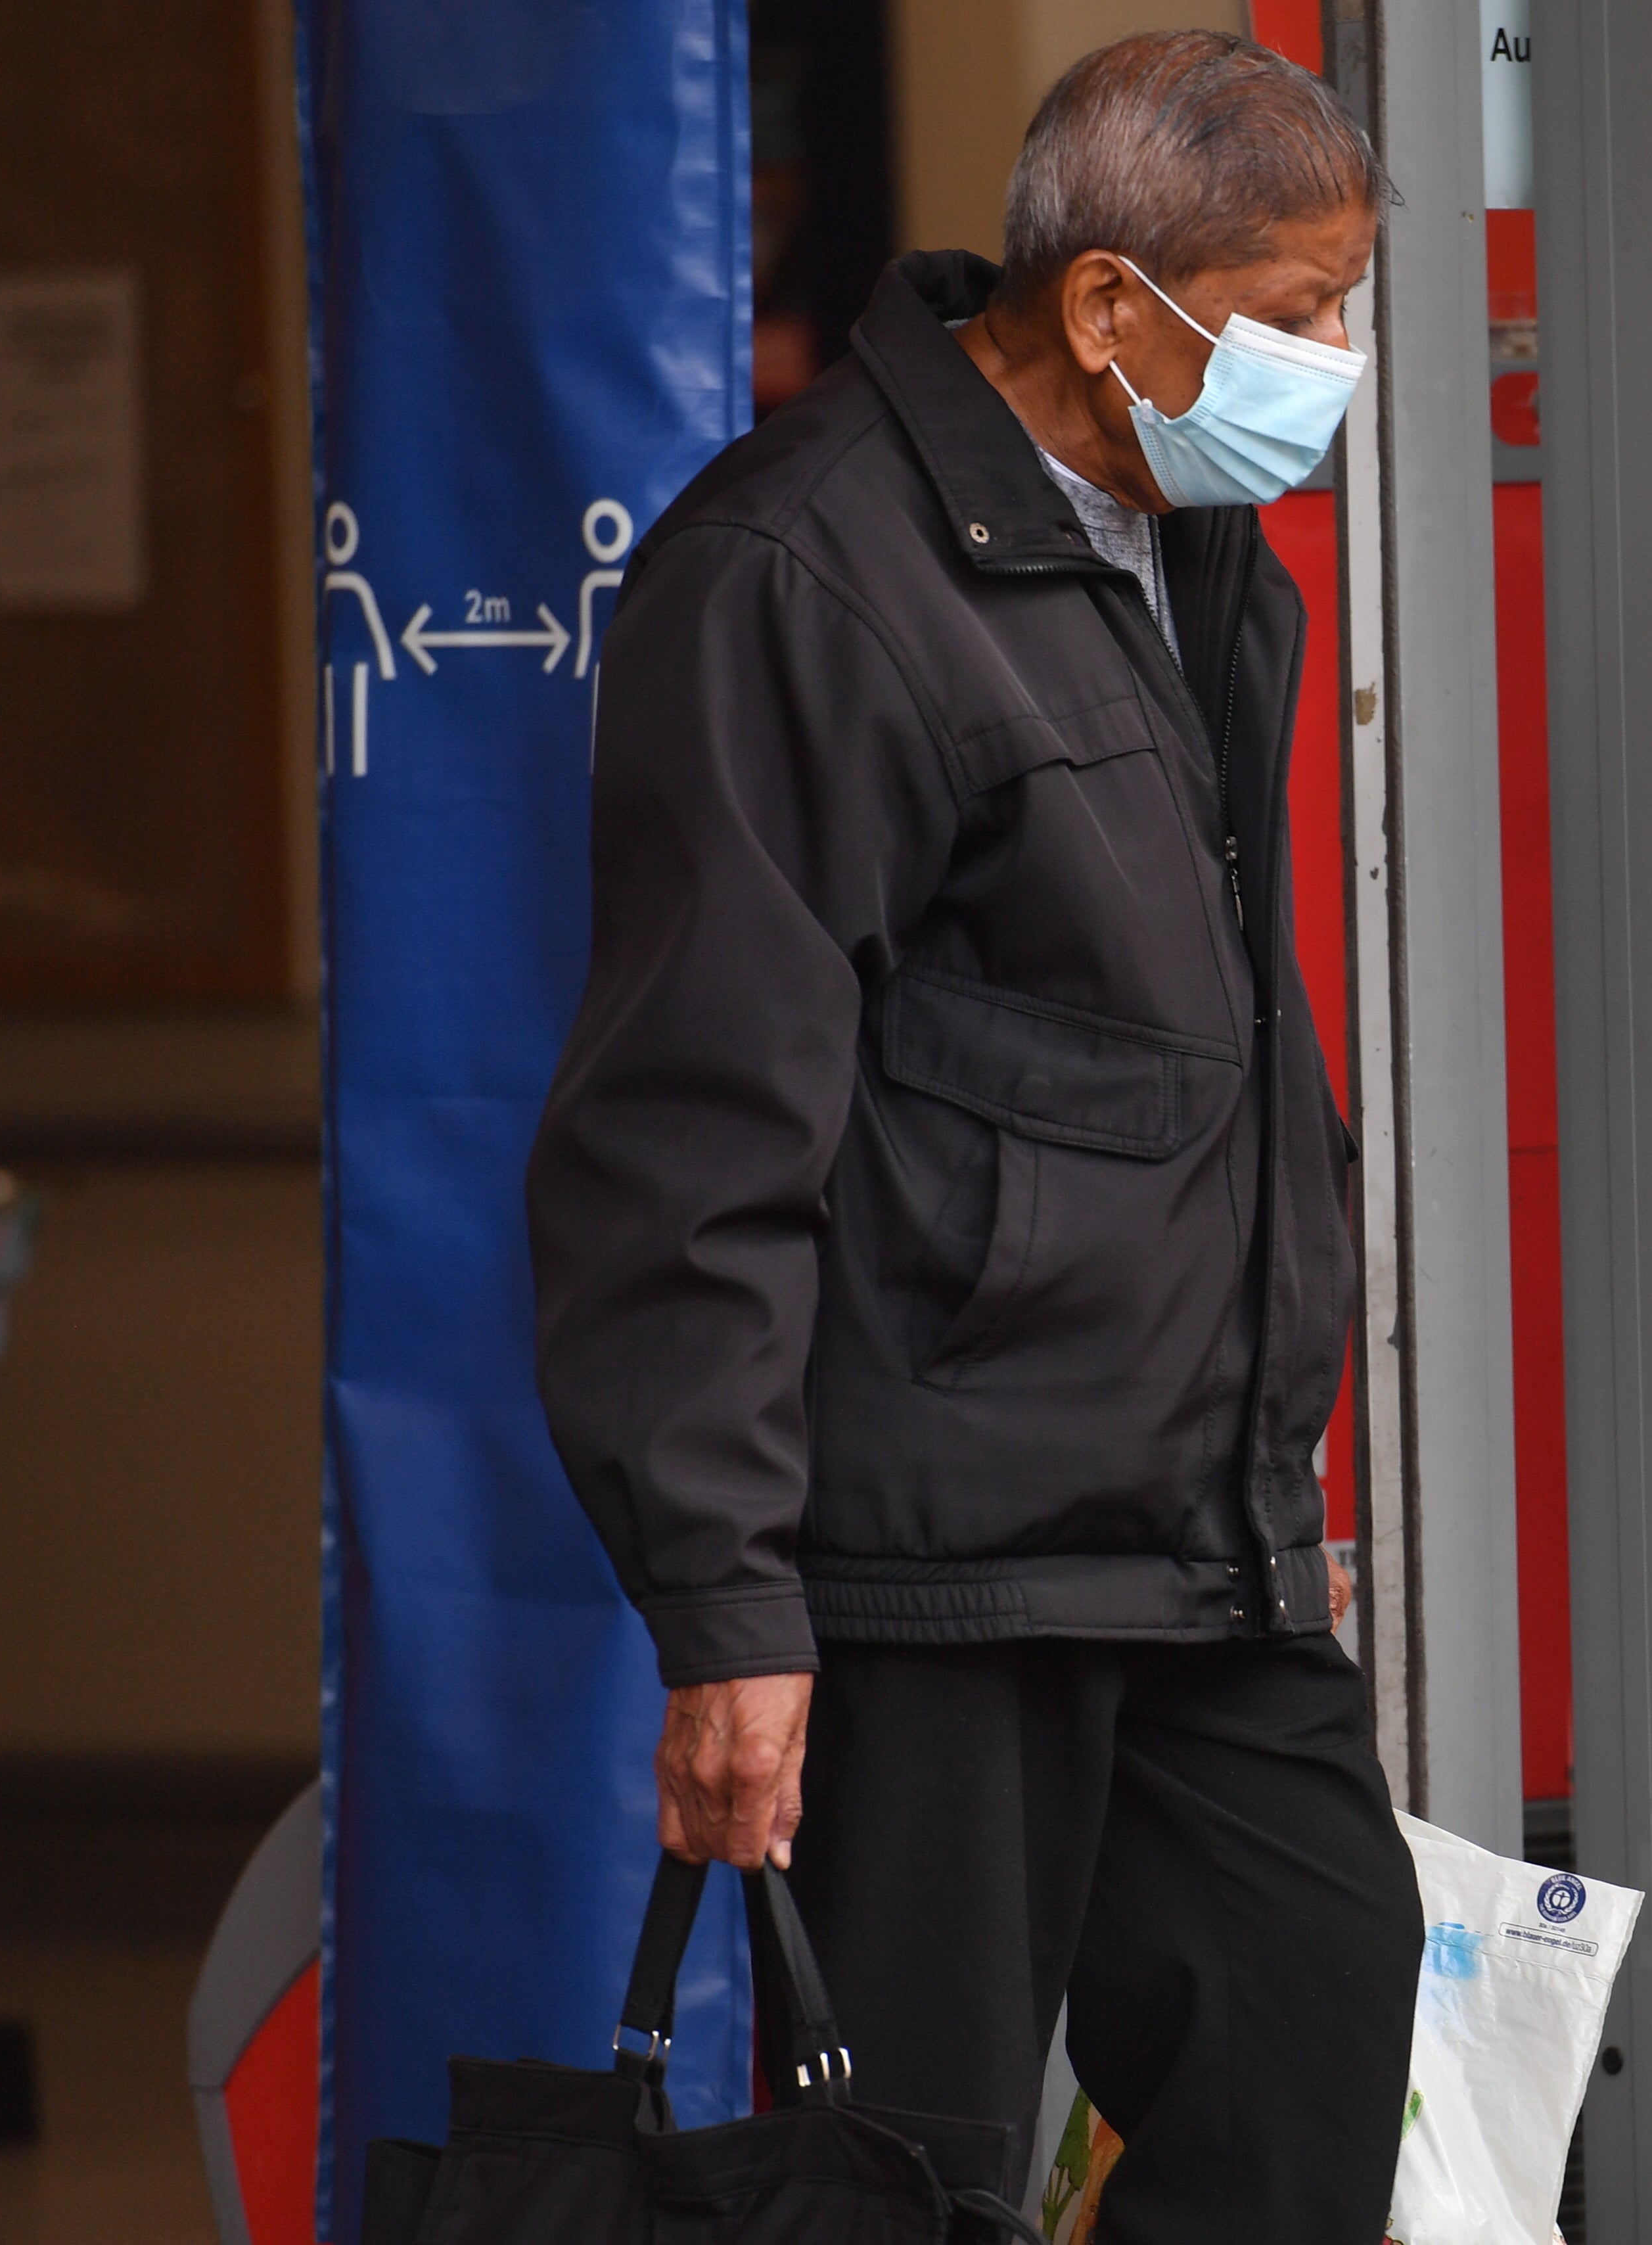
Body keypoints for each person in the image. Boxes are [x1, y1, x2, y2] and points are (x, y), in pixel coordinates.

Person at [524, 32, 1417, 2240]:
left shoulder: (1208, 562)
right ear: (1115, 309)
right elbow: (693, 1124)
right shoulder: (804, 575)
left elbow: (1190, 1043)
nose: (1337, 364)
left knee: (1316, 2015)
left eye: (1346, 305)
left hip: (1192, 1540)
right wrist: (729, 1606)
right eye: (1297, 312)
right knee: (906, 2164)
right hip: (930, 1566)